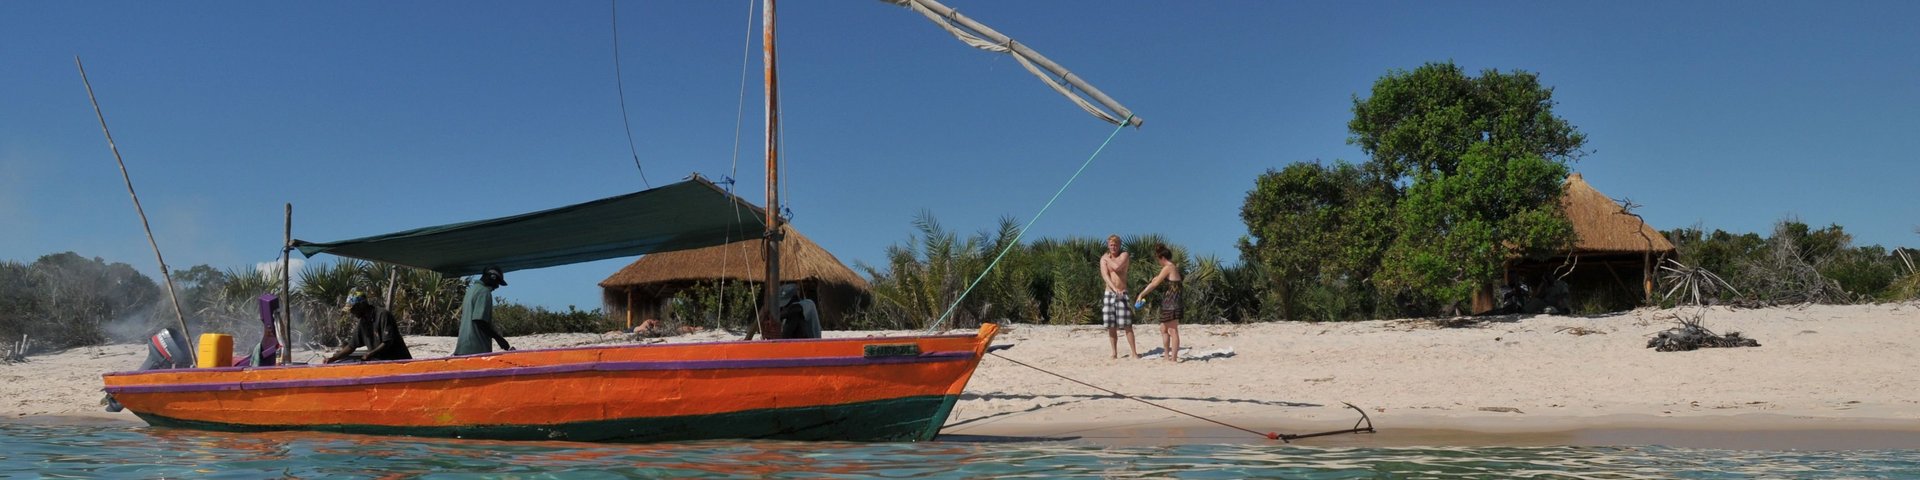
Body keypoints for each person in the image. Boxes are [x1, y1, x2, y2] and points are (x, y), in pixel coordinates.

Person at [325, 289, 413, 363]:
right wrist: (333, 358)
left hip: (398, 361)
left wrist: (370, 354)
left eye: (353, 309)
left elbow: (387, 342)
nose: (352, 312)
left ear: (362, 305)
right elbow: (351, 346)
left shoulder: (383, 315)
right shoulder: (363, 322)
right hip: (381, 363)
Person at [1136, 244, 1183, 363]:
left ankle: (1173, 358)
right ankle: (1167, 356)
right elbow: (1159, 280)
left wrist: (1142, 294)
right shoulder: (1171, 268)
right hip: (1169, 301)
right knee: (1163, 328)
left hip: (1173, 302)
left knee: (1172, 330)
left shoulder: (1169, 267)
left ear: (1162, 258)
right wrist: (1155, 279)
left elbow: (1154, 284)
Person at [455, 266, 515, 356]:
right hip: (476, 349)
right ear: (492, 277)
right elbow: (479, 320)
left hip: (463, 348)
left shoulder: (471, 290)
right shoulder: (484, 292)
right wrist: (499, 339)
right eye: (497, 282)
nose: (497, 286)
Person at [1099, 234, 1138, 359]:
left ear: (1119, 245)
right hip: (1110, 293)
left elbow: (1117, 267)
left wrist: (1108, 259)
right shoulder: (1103, 259)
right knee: (1111, 325)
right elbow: (1105, 275)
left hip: (1122, 292)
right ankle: (1114, 352)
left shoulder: (1124, 255)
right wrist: (1114, 289)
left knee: (1127, 324)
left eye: (1115, 245)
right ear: (1108, 245)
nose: (1113, 247)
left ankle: (1134, 353)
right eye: (1111, 245)